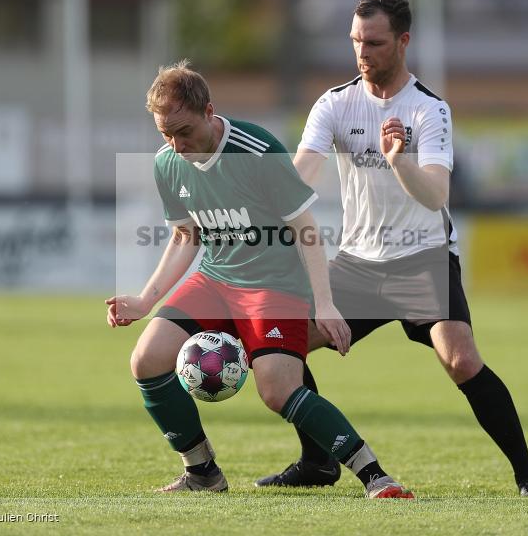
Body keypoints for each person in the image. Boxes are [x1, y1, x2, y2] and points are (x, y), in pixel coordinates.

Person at [255, 0, 528, 497]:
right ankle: (318, 461)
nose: (362, 53)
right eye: (355, 42)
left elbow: (436, 192)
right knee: (285, 347)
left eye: (374, 42)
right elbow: (302, 175)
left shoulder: (428, 109)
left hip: (423, 259)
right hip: (359, 263)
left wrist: (399, 159)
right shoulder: (334, 103)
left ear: (403, 41)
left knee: (459, 358)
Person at [106, 60, 414, 499]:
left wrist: (323, 304)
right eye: (165, 135)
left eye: (184, 131)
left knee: (277, 390)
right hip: (214, 279)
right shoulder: (168, 163)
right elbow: (185, 233)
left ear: (209, 112)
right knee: (147, 360)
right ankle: (202, 473)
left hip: (273, 285)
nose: (176, 144)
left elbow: (306, 229)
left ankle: (375, 476)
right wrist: (145, 299)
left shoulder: (255, 150)